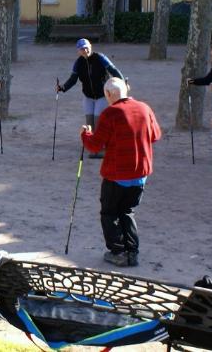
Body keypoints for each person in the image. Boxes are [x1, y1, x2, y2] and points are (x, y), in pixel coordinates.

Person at [81, 77, 161, 268]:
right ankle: (132, 252)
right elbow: (155, 135)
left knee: (109, 213)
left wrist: (85, 134)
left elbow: (95, 145)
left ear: (109, 94)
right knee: (127, 211)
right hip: (140, 172)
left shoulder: (111, 113)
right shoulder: (144, 108)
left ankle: (118, 251)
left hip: (117, 174)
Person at [58, 38, 125, 158]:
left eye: (86, 47)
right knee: (89, 122)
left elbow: (114, 71)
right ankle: (93, 145)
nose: (85, 50)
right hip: (88, 96)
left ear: (90, 46)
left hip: (102, 95)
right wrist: (62, 88)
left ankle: (102, 147)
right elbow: (73, 80)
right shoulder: (78, 63)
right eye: (81, 49)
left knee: (98, 121)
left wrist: (123, 83)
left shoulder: (100, 57)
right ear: (78, 51)